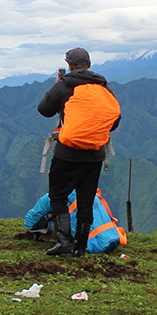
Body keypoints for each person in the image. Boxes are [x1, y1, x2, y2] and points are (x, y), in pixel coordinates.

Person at [37, 47, 120, 256]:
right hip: (95, 154)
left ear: (70, 66)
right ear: (89, 65)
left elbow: (44, 110)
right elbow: (114, 121)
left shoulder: (65, 86)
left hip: (68, 152)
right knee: (86, 199)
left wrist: (56, 86)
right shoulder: (104, 87)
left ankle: (64, 242)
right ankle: (81, 247)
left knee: (58, 195)